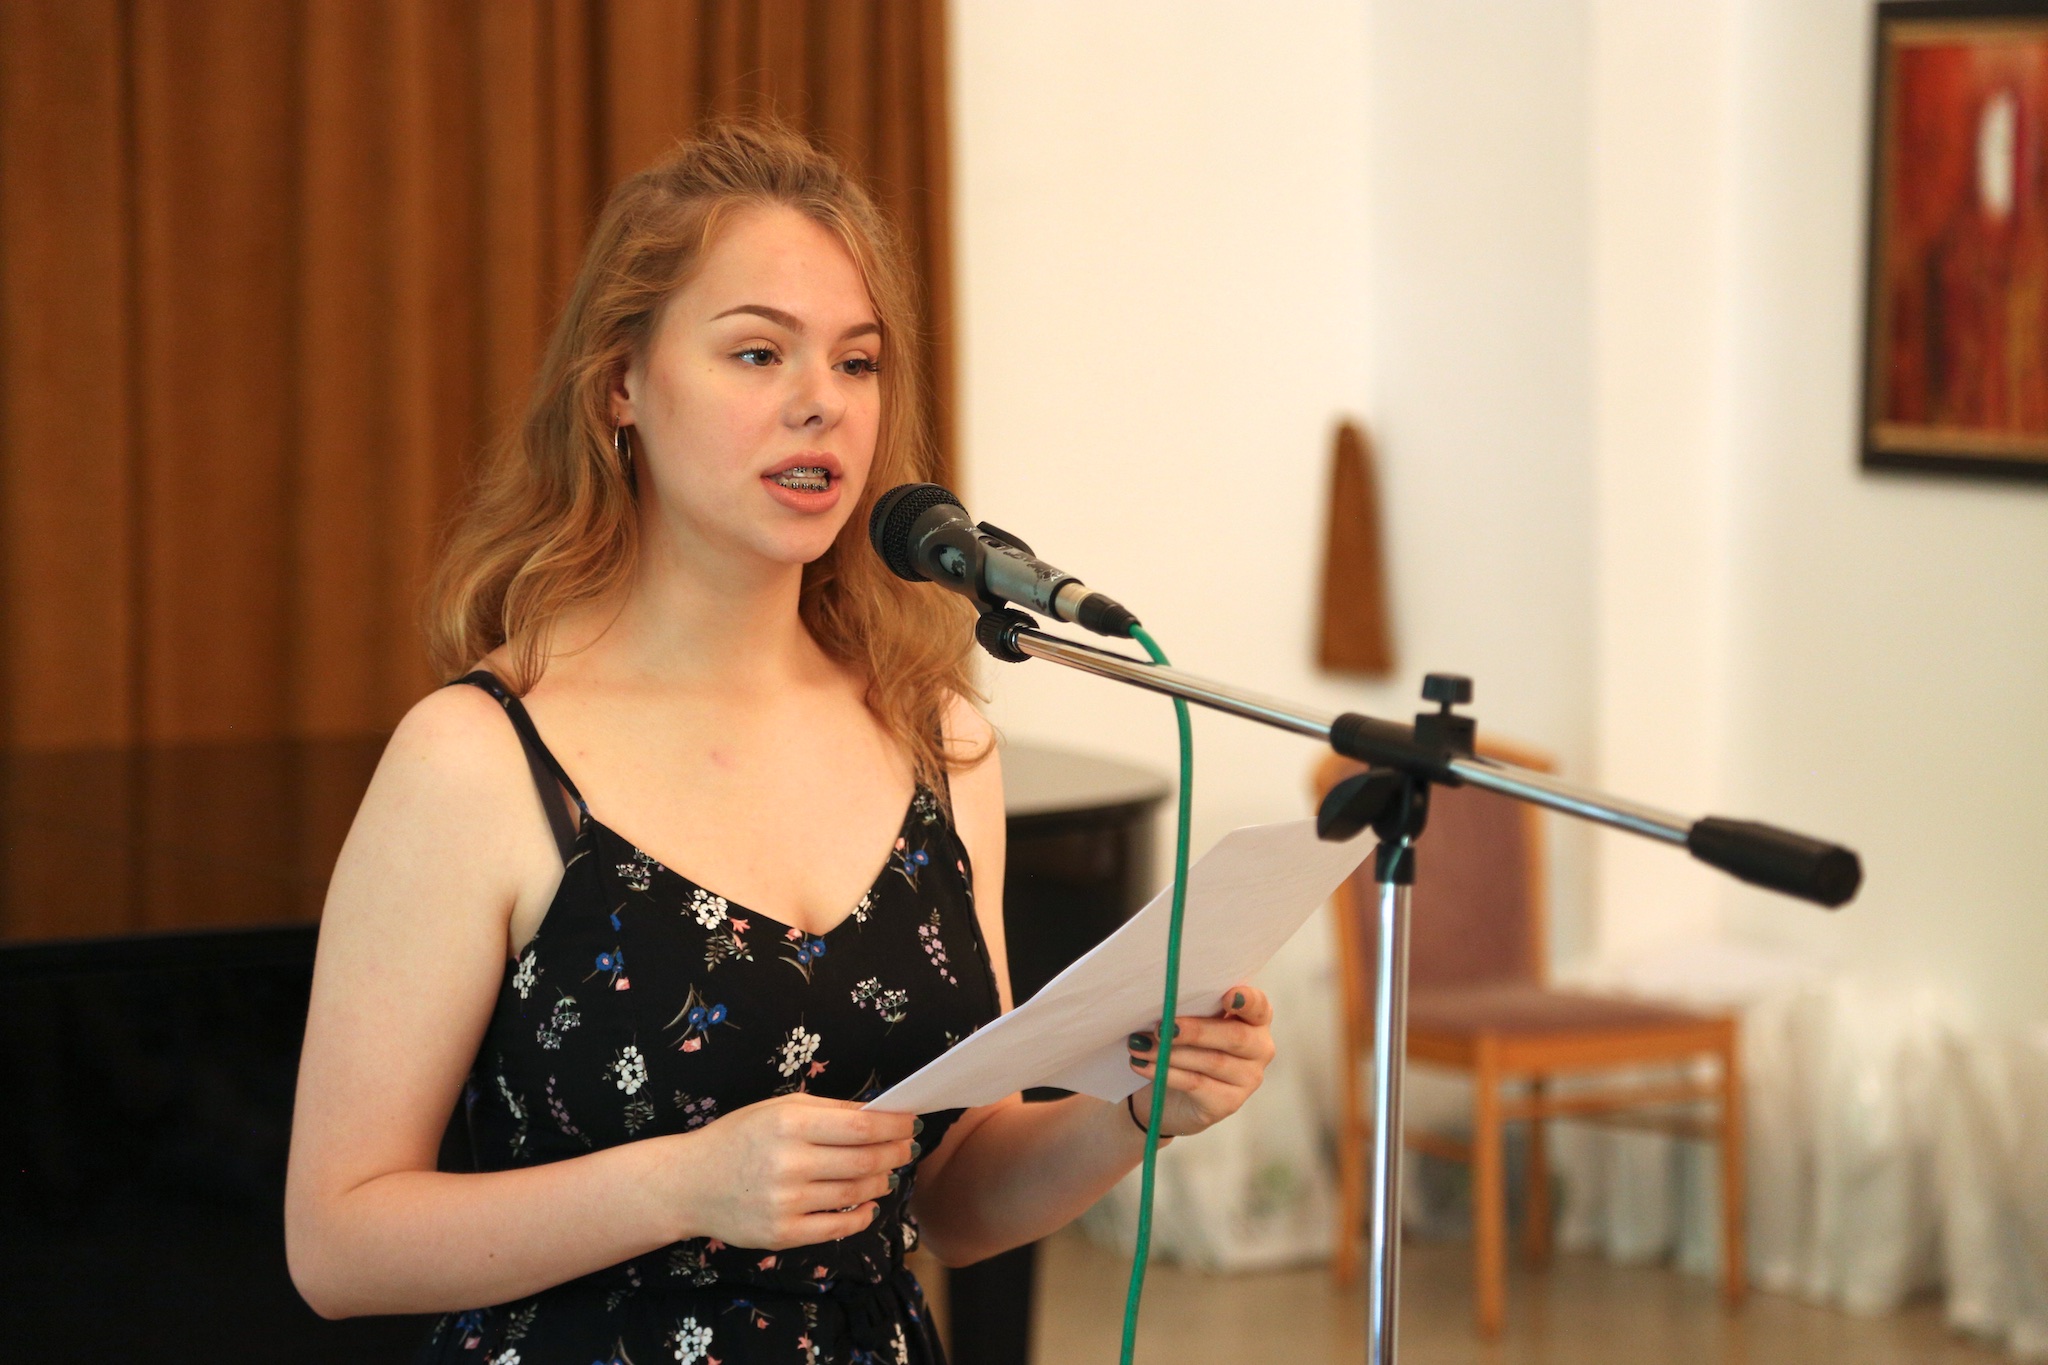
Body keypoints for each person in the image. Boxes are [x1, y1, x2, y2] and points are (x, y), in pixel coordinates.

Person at [284, 122, 1277, 1365]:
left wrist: (1129, 1113)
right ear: (619, 385)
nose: (822, 401)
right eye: (758, 352)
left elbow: (951, 1201)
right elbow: (337, 1246)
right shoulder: (477, 758)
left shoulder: (939, 740)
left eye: (856, 362)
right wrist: (683, 1185)